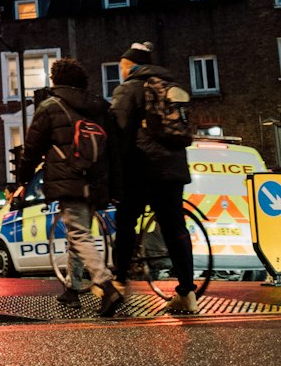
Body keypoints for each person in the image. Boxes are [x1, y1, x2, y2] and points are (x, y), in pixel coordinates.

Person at [10, 57, 123, 316]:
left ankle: (106, 285)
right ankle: (72, 289)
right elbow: (114, 152)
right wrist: (115, 188)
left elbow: (33, 148)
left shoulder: (51, 107)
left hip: (69, 180)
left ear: (56, 81)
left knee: (79, 234)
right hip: (96, 182)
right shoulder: (99, 108)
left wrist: (23, 178)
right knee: (78, 233)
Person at [111, 41, 197, 314]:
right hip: (173, 169)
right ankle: (187, 292)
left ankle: (120, 282)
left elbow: (118, 133)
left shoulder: (129, 88)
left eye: (121, 66)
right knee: (175, 229)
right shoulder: (169, 86)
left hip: (141, 169)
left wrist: (113, 170)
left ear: (128, 65)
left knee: (126, 222)